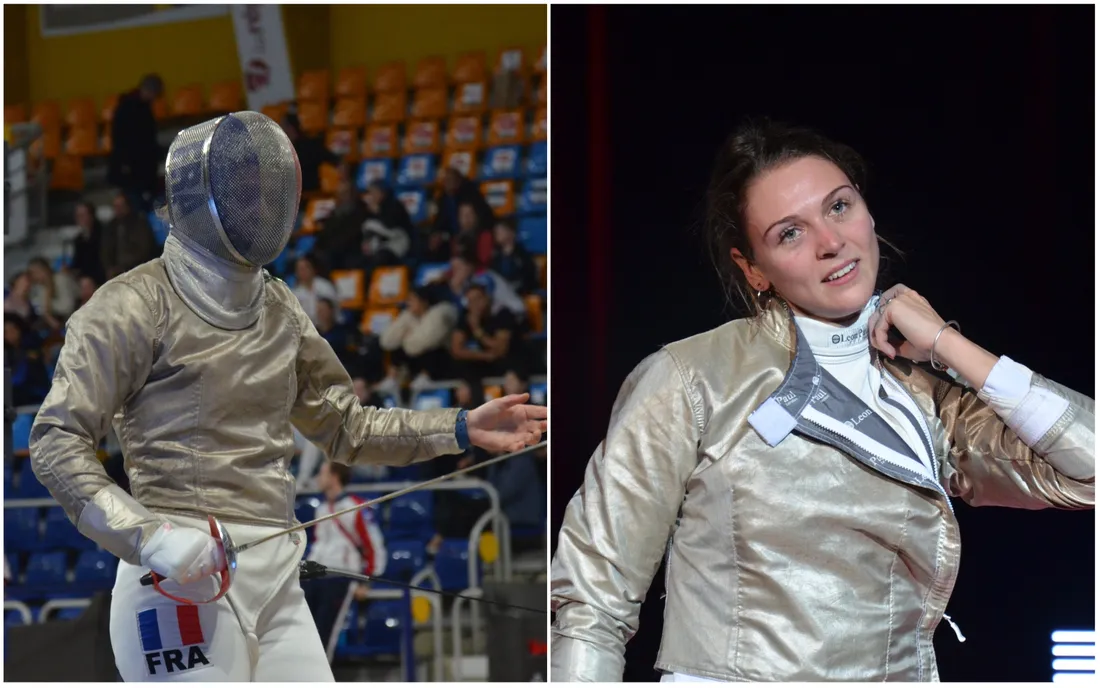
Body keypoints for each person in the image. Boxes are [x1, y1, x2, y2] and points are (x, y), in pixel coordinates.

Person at [550, 120, 1094, 682]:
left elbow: (1091, 470)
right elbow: (594, 597)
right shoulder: (690, 378)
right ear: (752, 268)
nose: (831, 242)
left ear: (868, 211)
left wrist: (948, 344)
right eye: (790, 233)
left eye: (839, 207)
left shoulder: (922, 390)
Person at [29, 111, 547, 683]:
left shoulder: (278, 308)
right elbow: (56, 441)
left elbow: (345, 428)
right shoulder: (129, 305)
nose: (260, 206)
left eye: (265, 191)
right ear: (202, 199)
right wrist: (149, 537)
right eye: (242, 190)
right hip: (178, 578)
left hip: (277, 575)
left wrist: (459, 427)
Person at [302, 460, 386, 664]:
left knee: (325, 636)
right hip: (314, 577)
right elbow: (319, 543)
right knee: (305, 636)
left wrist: (366, 580)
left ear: (334, 476)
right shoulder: (321, 509)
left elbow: (374, 545)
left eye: (322, 473)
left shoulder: (356, 507)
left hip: (339, 577)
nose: (318, 479)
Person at [378, 285, 459, 383]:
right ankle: (391, 378)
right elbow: (388, 341)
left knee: (433, 349)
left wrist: (408, 339)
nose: (408, 303)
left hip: (442, 363)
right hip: (415, 359)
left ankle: (425, 376)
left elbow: (425, 341)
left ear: (424, 302)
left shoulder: (438, 317)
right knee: (397, 346)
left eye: (412, 300)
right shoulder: (409, 318)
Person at [108, 74, 164, 212]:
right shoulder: (130, 108)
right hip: (133, 170)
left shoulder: (134, 107)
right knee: (137, 206)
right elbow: (123, 139)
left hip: (137, 168)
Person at [101, 192, 158, 279]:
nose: (118, 209)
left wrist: (124, 267)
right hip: (116, 271)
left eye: (120, 206)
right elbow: (105, 249)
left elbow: (143, 249)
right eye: (115, 206)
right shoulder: (111, 226)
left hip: (137, 268)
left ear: (127, 207)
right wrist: (110, 267)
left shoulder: (139, 223)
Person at [291, 254, 339, 327]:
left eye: (305, 268)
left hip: (329, 327)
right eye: (300, 269)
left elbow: (335, 310)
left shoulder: (325, 286)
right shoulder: (294, 293)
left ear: (313, 269)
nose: (303, 271)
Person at [69, 201, 107, 285]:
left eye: (82, 215)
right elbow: (77, 262)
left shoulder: (104, 234)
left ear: (91, 216)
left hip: (101, 276)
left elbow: (103, 260)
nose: (79, 219)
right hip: (84, 279)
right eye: (78, 216)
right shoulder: (79, 239)